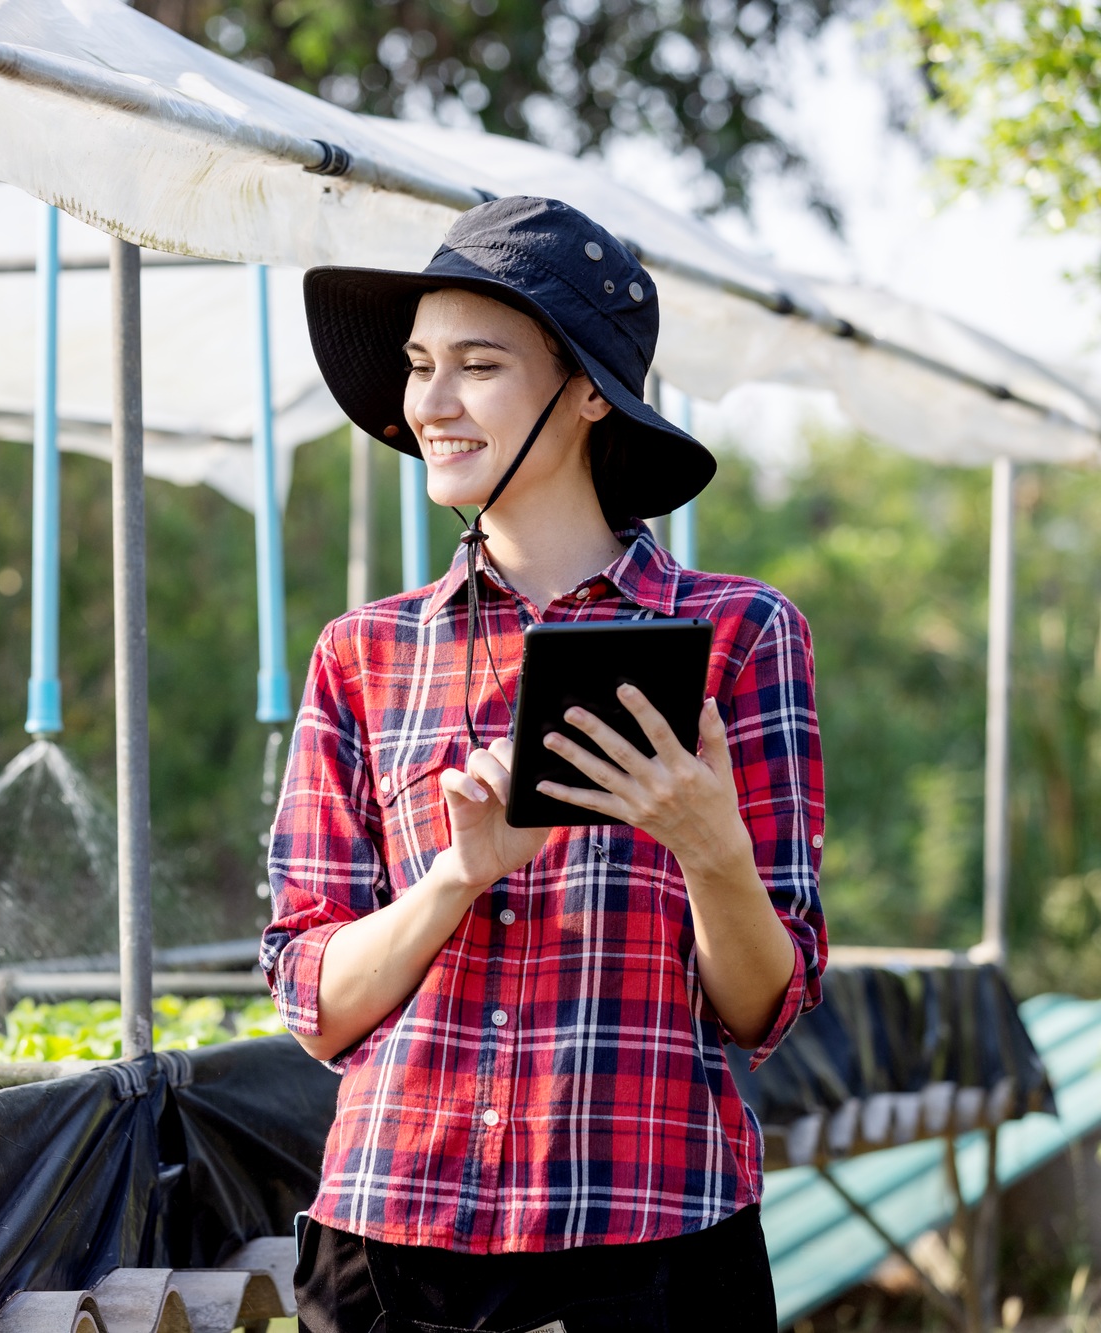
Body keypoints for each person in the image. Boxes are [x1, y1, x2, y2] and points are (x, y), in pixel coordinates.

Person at [263, 196, 827, 1331]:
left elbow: (762, 1006)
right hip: (391, 1243)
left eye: (476, 365)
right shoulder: (363, 653)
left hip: (652, 1239)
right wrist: (455, 877)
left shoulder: (739, 635)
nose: (430, 401)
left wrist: (708, 847)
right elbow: (312, 1000)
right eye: (420, 365)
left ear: (582, 391)